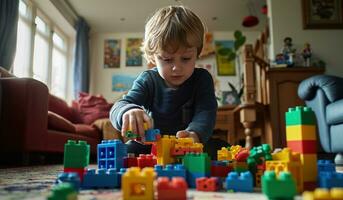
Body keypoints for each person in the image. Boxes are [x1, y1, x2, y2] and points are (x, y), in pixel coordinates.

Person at [110, 6, 217, 146]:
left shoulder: (202, 79)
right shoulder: (148, 80)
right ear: (153, 58)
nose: (176, 68)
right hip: (152, 144)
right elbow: (119, 106)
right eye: (167, 59)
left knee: (220, 147)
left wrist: (194, 134)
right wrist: (128, 111)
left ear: (197, 54)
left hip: (190, 144)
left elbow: (206, 112)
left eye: (185, 58)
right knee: (128, 149)